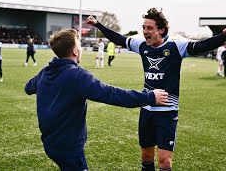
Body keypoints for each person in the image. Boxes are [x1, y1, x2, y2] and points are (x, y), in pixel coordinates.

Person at [86, 8, 226, 171]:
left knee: (165, 162)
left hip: (167, 111)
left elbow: (201, 46)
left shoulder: (176, 47)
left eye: (149, 28)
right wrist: (98, 25)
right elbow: (118, 39)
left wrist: (223, 37)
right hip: (147, 109)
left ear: (162, 30)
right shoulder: (141, 45)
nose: (145, 31)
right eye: (144, 27)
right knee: (146, 157)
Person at [25, 28, 169, 170]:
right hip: (68, 148)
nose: (80, 48)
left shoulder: (45, 72)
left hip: (50, 144)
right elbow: (112, 94)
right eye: (79, 44)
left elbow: (28, 87)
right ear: (75, 51)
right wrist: (150, 97)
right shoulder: (78, 76)